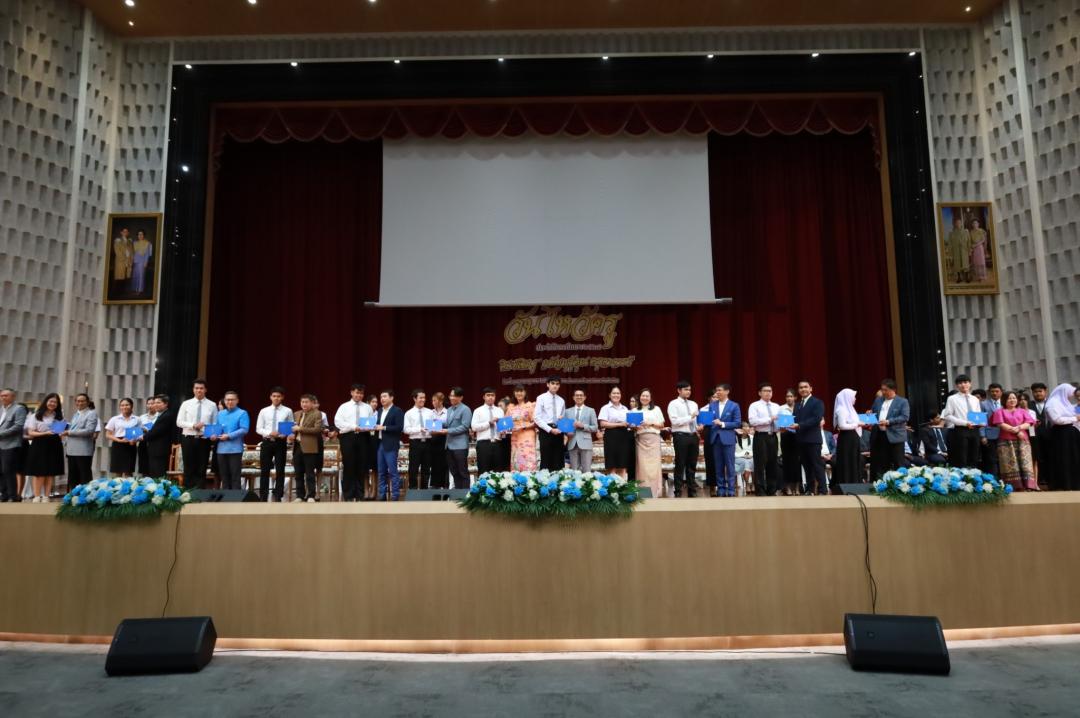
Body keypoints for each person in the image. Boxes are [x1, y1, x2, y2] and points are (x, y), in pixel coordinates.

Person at [334, 384, 373, 502]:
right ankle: (348, 495)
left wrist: (369, 427)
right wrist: (353, 426)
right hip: (348, 437)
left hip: (363, 437)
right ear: (351, 392)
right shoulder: (344, 407)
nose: (359, 395)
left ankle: (360, 494)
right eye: (357, 393)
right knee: (349, 465)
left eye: (361, 393)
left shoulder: (367, 407)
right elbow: (338, 422)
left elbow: (370, 422)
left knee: (362, 465)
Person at [176, 378, 217, 489]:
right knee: (188, 467)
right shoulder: (186, 404)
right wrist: (193, 425)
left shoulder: (212, 405)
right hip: (188, 438)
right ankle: (188, 492)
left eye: (201, 388)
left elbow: (214, 423)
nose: (199, 390)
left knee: (202, 467)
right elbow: (179, 422)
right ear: (193, 390)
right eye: (197, 388)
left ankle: (200, 492)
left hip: (204, 439)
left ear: (205, 390)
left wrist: (213, 434)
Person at [991, 390, 1036, 491]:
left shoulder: (1022, 411)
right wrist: (1016, 431)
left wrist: (1019, 428)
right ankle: (1013, 486)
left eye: (1014, 398)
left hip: (1023, 440)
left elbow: (1029, 423)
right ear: (1004, 400)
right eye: (1009, 398)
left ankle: (1028, 485)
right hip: (1006, 441)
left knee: (1025, 463)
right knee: (1009, 464)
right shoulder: (999, 411)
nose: (1012, 400)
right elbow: (1000, 424)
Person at [868, 379, 911, 483]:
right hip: (880, 435)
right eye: (882, 389)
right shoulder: (878, 400)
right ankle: (882, 485)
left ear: (893, 390)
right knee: (881, 462)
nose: (883, 392)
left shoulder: (902, 401)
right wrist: (869, 413)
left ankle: (901, 485)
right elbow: (873, 412)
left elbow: (905, 417)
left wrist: (888, 422)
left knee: (898, 462)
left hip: (895, 436)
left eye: (885, 390)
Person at [24, 393, 65, 502]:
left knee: (50, 472)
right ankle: (37, 496)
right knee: (39, 472)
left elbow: (59, 432)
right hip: (39, 444)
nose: (53, 404)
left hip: (54, 444)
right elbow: (31, 432)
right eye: (51, 401)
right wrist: (45, 433)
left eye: (55, 402)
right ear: (46, 401)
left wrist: (62, 433)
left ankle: (46, 496)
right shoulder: (36, 415)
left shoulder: (59, 416)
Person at [791, 379, 827, 495]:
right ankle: (810, 490)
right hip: (801, 440)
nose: (803, 389)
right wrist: (787, 425)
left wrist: (799, 425)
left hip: (813, 439)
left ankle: (822, 490)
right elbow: (794, 420)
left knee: (817, 465)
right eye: (801, 387)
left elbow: (816, 419)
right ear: (798, 390)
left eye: (805, 387)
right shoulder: (797, 405)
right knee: (806, 466)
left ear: (811, 389)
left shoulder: (817, 402)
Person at [747, 382, 781, 497]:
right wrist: (770, 419)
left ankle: (772, 489)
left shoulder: (776, 406)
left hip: (773, 436)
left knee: (773, 463)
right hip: (760, 436)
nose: (768, 393)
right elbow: (753, 421)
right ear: (759, 393)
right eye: (765, 391)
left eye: (770, 391)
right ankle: (760, 489)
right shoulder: (754, 405)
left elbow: (779, 421)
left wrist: (784, 425)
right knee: (760, 463)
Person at [941, 374, 982, 468]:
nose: (963, 385)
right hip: (961, 429)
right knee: (961, 457)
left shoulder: (975, 399)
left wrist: (980, 422)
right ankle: (962, 475)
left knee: (974, 456)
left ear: (970, 384)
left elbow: (978, 414)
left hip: (975, 430)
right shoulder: (952, 399)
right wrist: (964, 423)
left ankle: (974, 474)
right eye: (960, 383)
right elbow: (947, 415)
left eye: (966, 382)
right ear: (957, 386)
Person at [1044, 382, 1080, 491]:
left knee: (1072, 459)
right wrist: (1075, 418)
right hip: (1060, 435)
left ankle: (1074, 483)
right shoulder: (1052, 404)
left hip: (1070, 435)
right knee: (1063, 459)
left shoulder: (1065, 403)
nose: (1072, 397)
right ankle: (1064, 484)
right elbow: (1057, 419)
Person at [708, 383, 741, 498]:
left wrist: (722, 424)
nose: (717, 392)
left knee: (730, 465)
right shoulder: (712, 405)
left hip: (728, 439)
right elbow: (709, 421)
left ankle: (731, 489)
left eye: (720, 390)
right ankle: (721, 489)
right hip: (715, 438)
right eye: (716, 390)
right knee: (718, 465)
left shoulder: (734, 406)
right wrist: (702, 421)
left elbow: (737, 423)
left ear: (727, 391)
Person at [667, 380, 700, 498]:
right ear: (679, 390)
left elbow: (695, 421)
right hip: (680, 436)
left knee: (692, 464)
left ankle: (692, 489)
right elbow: (674, 422)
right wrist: (690, 416)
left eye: (689, 389)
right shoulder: (673, 404)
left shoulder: (694, 404)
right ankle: (678, 490)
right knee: (680, 463)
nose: (688, 392)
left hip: (693, 436)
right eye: (686, 389)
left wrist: (698, 427)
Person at [289, 394, 322, 502]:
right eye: (302, 402)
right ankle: (299, 495)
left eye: (306, 402)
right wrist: (290, 433)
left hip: (310, 447)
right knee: (298, 473)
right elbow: (292, 428)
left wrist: (300, 429)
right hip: (297, 446)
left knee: (309, 473)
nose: (304, 404)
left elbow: (317, 430)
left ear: (312, 403)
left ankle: (311, 495)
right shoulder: (296, 414)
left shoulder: (317, 414)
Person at [213, 390, 249, 491]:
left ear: (237, 401)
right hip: (221, 449)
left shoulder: (242, 413)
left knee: (235, 477)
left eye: (232, 400)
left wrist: (229, 436)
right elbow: (217, 429)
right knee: (224, 477)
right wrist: (213, 435)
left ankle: (235, 499)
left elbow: (244, 429)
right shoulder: (220, 414)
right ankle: (226, 498)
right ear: (224, 401)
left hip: (235, 449)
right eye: (228, 400)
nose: (230, 402)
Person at [373, 390, 405, 501]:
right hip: (380, 444)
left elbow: (399, 427)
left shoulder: (397, 411)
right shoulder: (380, 410)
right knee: (381, 472)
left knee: (392, 471)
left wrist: (384, 427)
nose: (382, 399)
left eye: (385, 396)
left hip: (391, 445)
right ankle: (382, 495)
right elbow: (377, 425)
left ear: (391, 398)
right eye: (381, 397)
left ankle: (395, 495)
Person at [633, 389, 664, 498]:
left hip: (654, 439)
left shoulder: (656, 409)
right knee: (642, 468)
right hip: (640, 440)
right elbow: (631, 426)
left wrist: (650, 424)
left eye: (647, 396)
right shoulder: (634, 410)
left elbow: (661, 425)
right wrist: (634, 426)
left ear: (650, 398)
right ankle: (644, 494)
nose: (645, 398)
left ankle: (655, 493)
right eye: (643, 395)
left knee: (654, 468)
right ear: (639, 397)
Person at [831, 388, 863, 490]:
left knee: (853, 460)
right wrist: (857, 424)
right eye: (853, 397)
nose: (855, 399)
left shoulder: (850, 409)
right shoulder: (841, 409)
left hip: (853, 438)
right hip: (846, 438)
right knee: (847, 460)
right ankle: (847, 483)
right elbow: (842, 426)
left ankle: (855, 483)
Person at [0, 389, 28, 502]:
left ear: (13, 397)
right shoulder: (1, 409)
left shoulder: (19, 409)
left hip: (11, 444)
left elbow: (18, 426)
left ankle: (13, 495)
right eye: (2, 396)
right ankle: (4, 495)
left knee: (8, 470)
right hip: (0, 444)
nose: (3, 397)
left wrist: (1, 434)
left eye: (6, 395)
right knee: (1, 471)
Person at [599, 386, 632, 481]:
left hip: (624, 436)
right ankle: (612, 486)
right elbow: (602, 424)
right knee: (612, 463)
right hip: (611, 436)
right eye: (614, 393)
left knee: (623, 463)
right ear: (609, 395)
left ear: (620, 395)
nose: (616, 395)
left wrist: (634, 424)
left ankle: (622, 485)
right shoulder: (605, 408)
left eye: (618, 393)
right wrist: (620, 424)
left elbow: (629, 424)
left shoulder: (625, 408)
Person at [403, 389, 434, 490]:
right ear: (414, 399)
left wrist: (433, 429)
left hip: (428, 443)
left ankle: (424, 491)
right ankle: (413, 491)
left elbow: (434, 426)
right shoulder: (409, 413)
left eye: (424, 398)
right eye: (420, 398)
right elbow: (406, 429)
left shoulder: (430, 412)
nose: (423, 400)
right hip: (415, 443)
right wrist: (419, 429)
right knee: (413, 468)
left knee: (426, 468)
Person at [534, 376, 566, 471]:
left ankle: (558, 478)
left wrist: (562, 424)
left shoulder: (561, 400)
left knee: (558, 458)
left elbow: (563, 416)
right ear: (547, 384)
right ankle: (545, 479)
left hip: (559, 431)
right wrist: (550, 429)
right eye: (553, 383)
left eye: (557, 384)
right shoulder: (541, 398)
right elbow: (536, 417)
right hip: (546, 430)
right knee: (546, 459)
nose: (555, 386)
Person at [471, 387, 506, 476]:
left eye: (492, 395)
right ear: (484, 397)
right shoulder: (478, 411)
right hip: (484, 444)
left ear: (495, 397)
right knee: (483, 471)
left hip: (498, 443)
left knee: (498, 472)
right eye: (488, 395)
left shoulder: (500, 411)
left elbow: (503, 428)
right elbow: (474, 427)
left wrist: (503, 432)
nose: (490, 397)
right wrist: (489, 423)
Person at [105, 398, 141, 477]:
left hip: (131, 445)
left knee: (129, 471)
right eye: (122, 405)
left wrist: (135, 440)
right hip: (118, 445)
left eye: (127, 405)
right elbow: (108, 434)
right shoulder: (114, 419)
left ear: (131, 406)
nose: (124, 407)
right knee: (118, 471)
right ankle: (117, 485)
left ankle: (129, 485)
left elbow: (139, 434)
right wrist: (119, 440)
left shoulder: (137, 419)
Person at [444, 387, 472, 490]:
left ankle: (464, 494)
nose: (451, 398)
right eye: (450, 395)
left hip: (460, 446)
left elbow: (465, 427)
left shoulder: (465, 409)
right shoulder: (449, 410)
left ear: (461, 397)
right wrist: (435, 424)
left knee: (463, 472)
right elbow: (448, 424)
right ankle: (457, 494)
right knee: (454, 472)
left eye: (454, 396)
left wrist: (448, 431)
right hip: (449, 445)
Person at [564, 389, 598, 472]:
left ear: (585, 397)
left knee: (586, 471)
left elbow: (595, 427)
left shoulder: (591, 410)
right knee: (574, 471)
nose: (579, 397)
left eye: (581, 395)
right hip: (572, 443)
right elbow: (565, 428)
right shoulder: (567, 411)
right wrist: (567, 432)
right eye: (577, 395)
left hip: (586, 443)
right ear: (573, 397)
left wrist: (583, 426)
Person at [143, 394, 176, 479]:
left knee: (158, 475)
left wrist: (142, 437)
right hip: (156, 449)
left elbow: (156, 432)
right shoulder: (161, 415)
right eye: (154, 403)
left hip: (160, 450)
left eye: (158, 402)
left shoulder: (166, 415)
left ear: (166, 404)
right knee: (154, 473)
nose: (155, 405)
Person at [507, 384, 537, 472]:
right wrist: (504, 429)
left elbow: (536, 422)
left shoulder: (530, 405)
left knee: (527, 459)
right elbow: (506, 422)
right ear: (514, 393)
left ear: (525, 393)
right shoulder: (511, 407)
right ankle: (517, 479)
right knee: (516, 460)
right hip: (515, 437)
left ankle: (530, 478)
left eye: (521, 391)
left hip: (527, 436)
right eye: (517, 391)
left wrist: (523, 427)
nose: (519, 393)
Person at [779, 389, 800, 495]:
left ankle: (797, 487)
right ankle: (787, 487)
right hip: (786, 437)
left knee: (797, 463)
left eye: (791, 396)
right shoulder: (781, 408)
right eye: (787, 396)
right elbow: (781, 426)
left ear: (795, 397)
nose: (789, 398)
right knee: (787, 463)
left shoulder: (800, 407)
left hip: (798, 437)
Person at [981, 383, 1004, 478]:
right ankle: (994, 480)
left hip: (1004, 433)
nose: (994, 393)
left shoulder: (1006, 402)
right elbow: (982, 421)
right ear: (989, 392)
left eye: (997, 391)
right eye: (992, 391)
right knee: (992, 459)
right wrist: (983, 436)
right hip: (990, 435)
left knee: (1004, 458)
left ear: (1001, 392)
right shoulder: (983, 404)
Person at [428, 392, 450, 489]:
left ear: (441, 401)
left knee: (444, 464)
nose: (433, 402)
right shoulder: (431, 412)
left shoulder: (448, 412)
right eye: (432, 400)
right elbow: (429, 427)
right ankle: (435, 486)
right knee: (434, 464)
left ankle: (445, 486)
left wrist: (437, 425)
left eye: (435, 400)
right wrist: (437, 427)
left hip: (444, 440)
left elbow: (448, 425)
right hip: (433, 441)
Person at [1030, 382, 1050, 485]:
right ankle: (1039, 480)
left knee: (1049, 456)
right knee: (1037, 457)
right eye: (1035, 392)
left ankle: (1050, 479)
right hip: (1034, 435)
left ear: (1045, 391)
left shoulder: (1051, 403)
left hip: (1050, 435)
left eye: (1040, 391)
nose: (1038, 394)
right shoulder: (1029, 404)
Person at [135, 398, 157, 477]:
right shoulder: (142, 417)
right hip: (143, 442)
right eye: (148, 404)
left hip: (155, 442)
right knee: (143, 463)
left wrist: (148, 430)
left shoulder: (160, 416)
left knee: (154, 463)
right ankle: (144, 479)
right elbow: (137, 429)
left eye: (152, 403)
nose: (150, 405)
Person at [947, 215, 971, 283]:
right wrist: (951, 254)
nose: (958, 224)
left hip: (964, 251)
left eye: (959, 223)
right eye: (957, 223)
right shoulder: (951, 233)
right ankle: (959, 278)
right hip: (956, 252)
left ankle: (967, 277)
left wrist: (969, 251)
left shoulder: (966, 231)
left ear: (961, 223)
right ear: (955, 224)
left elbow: (969, 242)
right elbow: (950, 244)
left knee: (966, 264)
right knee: (957, 265)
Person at [733, 424, 754, 495]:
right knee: (745, 462)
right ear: (740, 429)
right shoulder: (735, 438)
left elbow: (754, 450)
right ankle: (747, 484)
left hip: (750, 457)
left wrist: (750, 455)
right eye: (745, 426)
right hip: (738, 458)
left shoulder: (752, 437)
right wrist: (743, 455)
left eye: (748, 426)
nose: (747, 428)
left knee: (753, 461)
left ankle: (753, 484)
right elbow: (734, 452)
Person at [131, 229, 153, 294]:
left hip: (142, 261)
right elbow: (133, 253)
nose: (140, 236)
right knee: (135, 275)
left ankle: (139, 290)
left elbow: (147, 254)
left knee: (141, 276)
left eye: (141, 234)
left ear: (143, 235)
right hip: (136, 261)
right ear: (137, 235)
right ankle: (135, 288)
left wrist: (146, 262)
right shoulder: (135, 243)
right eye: (139, 234)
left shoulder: (147, 243)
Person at [969, 218, 989, 283]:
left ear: (978, 224)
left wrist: (976, 245)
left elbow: (983, 240)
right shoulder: (971, 232)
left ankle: (982, 276)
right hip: (974, 249)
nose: (975, 224)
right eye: (973, 223)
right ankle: (977, 276)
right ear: (972, 225)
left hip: (979, 248)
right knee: (976, 262)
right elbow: (970, 241)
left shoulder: (981, 231)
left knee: (981, 262)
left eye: (976, 223)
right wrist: (971, 247)